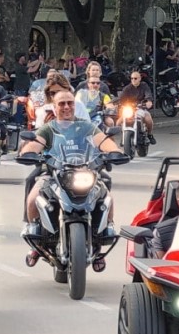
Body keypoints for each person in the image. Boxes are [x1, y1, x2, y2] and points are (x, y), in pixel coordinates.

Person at [19, 90, 121, 239]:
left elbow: (103, 141)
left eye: (70, 103)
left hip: (85, 172)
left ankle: (106, 229)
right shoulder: (49, 128)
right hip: (54, 174)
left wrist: (115, 151)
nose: (66, 107)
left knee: (107, 197)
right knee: (33, 198)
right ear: (54, 107)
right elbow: (36, 143)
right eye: (62, 104)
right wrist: (28, 152)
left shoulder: (86, 126)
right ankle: (34, 231)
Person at [117, 71, 156, 145]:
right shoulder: (127, 88)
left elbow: (148, 94)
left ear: (140, 79)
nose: (133, 80)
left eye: (135, 78)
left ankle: (150, 135)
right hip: (130, 109)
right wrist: (117, 103)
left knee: (148, 120)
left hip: (141, 107)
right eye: (131, 78)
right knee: (118, 122)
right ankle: (124, 136)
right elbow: (121, 98)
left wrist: (149, 102)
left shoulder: (144, 85)